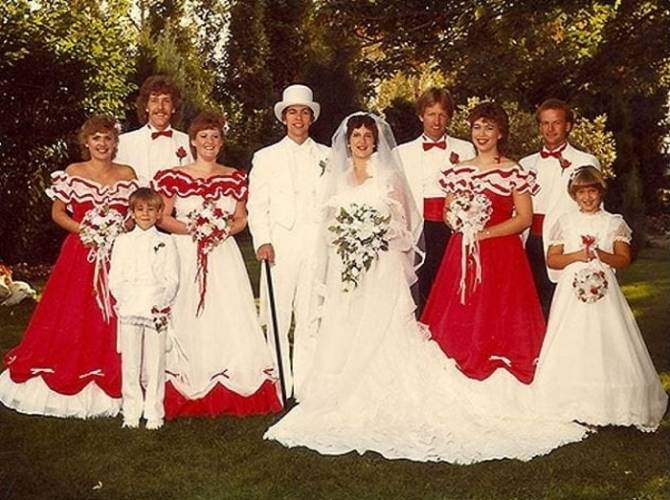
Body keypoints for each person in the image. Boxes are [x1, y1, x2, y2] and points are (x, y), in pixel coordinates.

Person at [264, 112, 589, 464]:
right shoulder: (339, 177)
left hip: (448, 258)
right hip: (357, 265)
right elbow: (330, 222)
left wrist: (475, 229)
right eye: (355, 135)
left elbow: (406, 221)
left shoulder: (392, 176)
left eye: (367, 135)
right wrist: (456, 221)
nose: (361, 141)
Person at [0, 115, 138, 418]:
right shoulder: (73, 172)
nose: (102, 144)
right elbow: (59, 213)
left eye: (108, 138)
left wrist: (118, 229)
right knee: (74, 310)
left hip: (118, 254)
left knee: (115, 310)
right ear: (86, 142)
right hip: (80, 253)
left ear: (115, 143)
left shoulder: (127, 173)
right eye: (96, 138)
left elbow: (133, 214)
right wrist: (86, 230)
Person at [152, 112, 281, 418]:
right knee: (187, 312)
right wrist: (195, 230)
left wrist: (220, 231)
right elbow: (163, 217)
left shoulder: (234, 177)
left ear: (221, 142)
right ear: (193, 141)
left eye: (215, 137)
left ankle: (231, 376)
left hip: (222, 253)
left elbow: (241, 218)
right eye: (203, 136)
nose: (209, 142)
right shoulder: (174, 176)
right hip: (185, 252)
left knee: (228, 312)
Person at [533, 166, 668, 430]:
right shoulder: (566, 222)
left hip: (604, 290)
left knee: (606, 336)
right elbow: (553, 259)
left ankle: (612, 400)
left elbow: (623, 258)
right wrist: (578, 256)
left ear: (600, 193)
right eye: (581, 192)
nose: (587, 197)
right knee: (572, 335)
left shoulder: (613, 223)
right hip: (571, 291)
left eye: (592, 191)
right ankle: (569, 397)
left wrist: (600, 255)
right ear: (574, 195)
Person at [421, 102, 545, 384]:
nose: (481, 134)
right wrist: (461, 222)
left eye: (489, 128)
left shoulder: (513, 171)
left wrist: (484, 234)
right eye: (477, 127)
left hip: (502, 254)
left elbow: (524, 218)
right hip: (462, 252)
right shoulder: (458, 171)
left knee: (497, 313)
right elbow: (447, 212)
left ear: (500, 133)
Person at [247, 84, 330, 400]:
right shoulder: (266, 157)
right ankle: (281, 383)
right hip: (280, 244)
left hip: (316, 244)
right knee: (277, 313)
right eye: (292, 112)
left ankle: (306, 386)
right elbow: (257, 205)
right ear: (283, 118)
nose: (298, 118)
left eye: (304, 112)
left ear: (312, 118)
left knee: (311, 315)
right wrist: (263, 240)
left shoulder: (329, 156)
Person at [397, 88, 476, 314]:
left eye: (442, 114)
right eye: (431, 114)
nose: (436, 121)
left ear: (449, 117)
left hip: (453, 227)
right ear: (421, 115)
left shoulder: (465, 149)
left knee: (453, 282)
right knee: (420, 283)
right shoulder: (402, 152)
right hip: (418, 227)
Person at [520, 99, 600, 319]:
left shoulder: (585, 161)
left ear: (568, 126)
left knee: (565, 307)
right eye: (545, 123)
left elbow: (594, 207)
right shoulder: (526, 164)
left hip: (566, 244)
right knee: (533, 306)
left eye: (556, 123)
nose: (550, 129)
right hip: (530, 241)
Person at [109, 188, 179, 429]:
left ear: (159, 213)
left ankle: (154, 411)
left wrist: (160, 303)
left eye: (151, 209)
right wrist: (127, 300)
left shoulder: (167, 241)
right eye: (140, 209)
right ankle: (131, 411)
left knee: (156, 361)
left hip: (156, 307)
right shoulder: (122, 241)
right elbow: (115, 278)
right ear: (132, 212)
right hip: (130, 307)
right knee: (130, 362)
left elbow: (173, 279)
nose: (146, 214)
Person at [116, 75, 193, 185]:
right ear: (146, 107)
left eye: (166, 101)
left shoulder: (188, 143)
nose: (160, 107)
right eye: (154, 101)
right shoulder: (124, 143)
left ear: (174, 107)